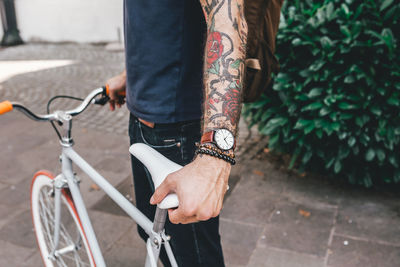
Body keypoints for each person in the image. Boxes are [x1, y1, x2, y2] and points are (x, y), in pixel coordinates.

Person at [106, 1, 247, 266]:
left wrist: (216, 154)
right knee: (152, 233)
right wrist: (131, 76)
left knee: (193, 257)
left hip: (179, 130)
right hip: (141, 117)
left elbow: (227, 17)